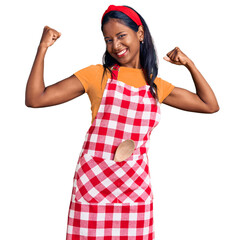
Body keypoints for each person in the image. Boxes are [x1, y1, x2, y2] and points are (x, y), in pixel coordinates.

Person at [25, 4, 219, 240]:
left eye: (120, 36)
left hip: (134, 189)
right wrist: (43, 47)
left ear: (140, 33)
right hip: (94, 186)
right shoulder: (97, 75)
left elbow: (210, 105)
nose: (115, 45)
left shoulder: (156, 87)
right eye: (108, 39)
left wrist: (190, 64)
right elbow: (35, 99)